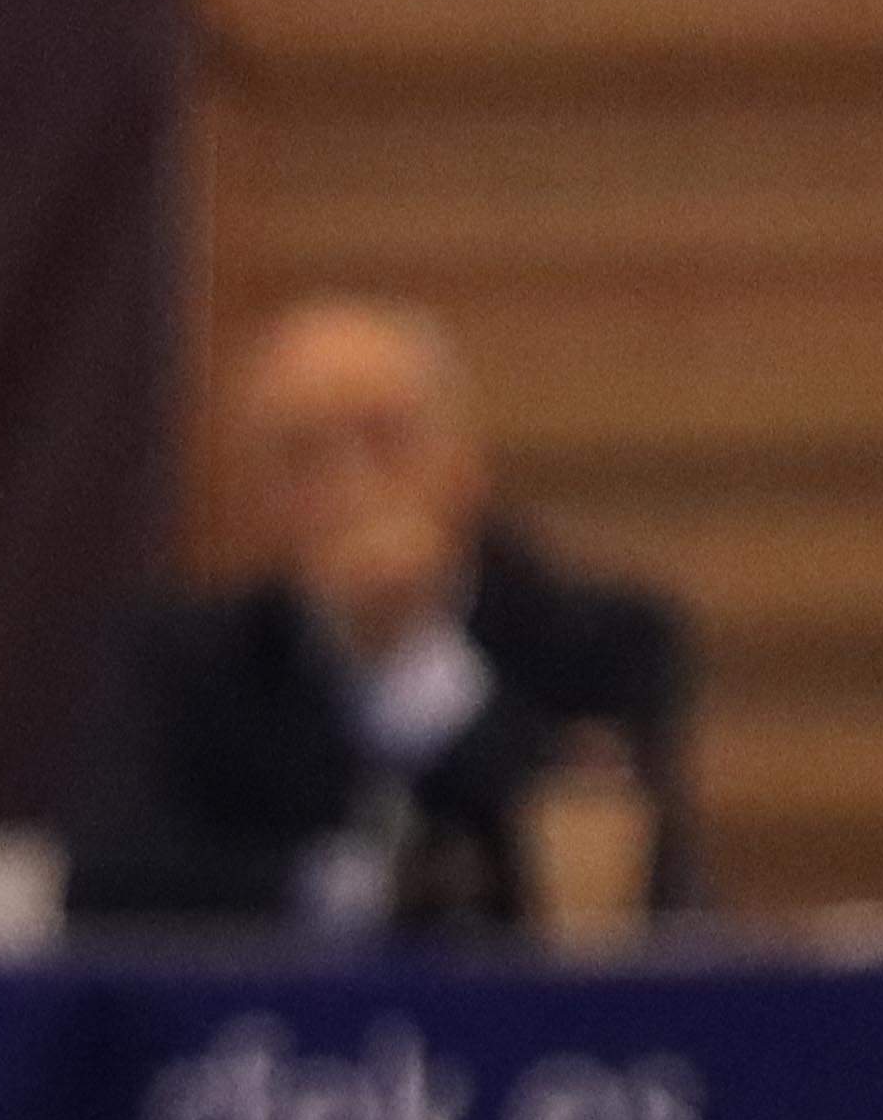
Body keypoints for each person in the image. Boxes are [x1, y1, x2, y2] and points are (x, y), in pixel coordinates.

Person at [69, 295, 696, 935]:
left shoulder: (597, 639)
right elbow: (106, 889)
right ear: (252, 493)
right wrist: (361, 889)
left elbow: (643, 891)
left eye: (386, 440)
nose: (352, 485)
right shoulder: (183, 663)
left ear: (465, 461)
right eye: (303, 455)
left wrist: (418, 674)